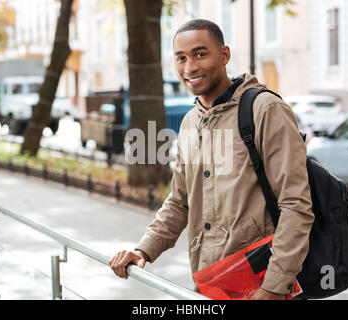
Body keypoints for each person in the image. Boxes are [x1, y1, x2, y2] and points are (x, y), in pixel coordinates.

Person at [110, 19, 314, 300]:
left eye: (200, 54)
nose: (189, 67)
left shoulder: (265, 110)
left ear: (224, 55)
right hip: (212, 283)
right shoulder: (190, 122)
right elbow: (180, 201)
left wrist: (274, 286)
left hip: (262, 284)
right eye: (181, 58)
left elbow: (296, 204)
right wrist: (144, 250)